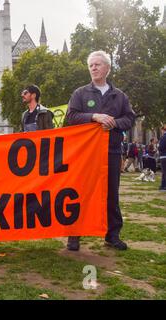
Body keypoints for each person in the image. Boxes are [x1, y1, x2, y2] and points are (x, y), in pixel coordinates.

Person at [66, 51, 136, 251]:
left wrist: (114, 123)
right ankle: (74, 235)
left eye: (98, 64)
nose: (94, 68)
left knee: (111, 194)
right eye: (91, 65)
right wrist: (94, 116)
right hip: (86, 153)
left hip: (111, 152)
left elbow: (129, 119)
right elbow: (71, 117)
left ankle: (112, 235)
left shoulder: (119, 96)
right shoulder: (80, 93)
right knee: (80, 192)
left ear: (107, 68)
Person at [159, 125, 166, 191]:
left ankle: (163, 186)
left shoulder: (164, 137)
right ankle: (163, 186)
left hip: (164, 156)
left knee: (164, 172)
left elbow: (161, 147)